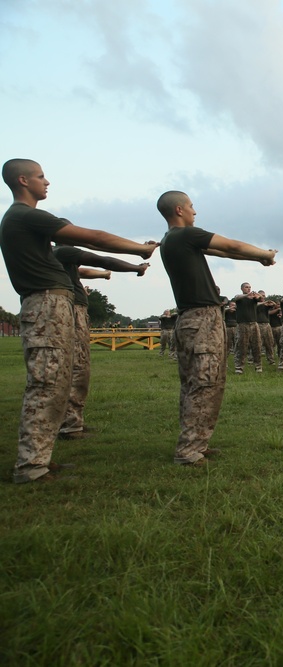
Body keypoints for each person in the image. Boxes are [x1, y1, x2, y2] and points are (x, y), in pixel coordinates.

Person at [1, 158, 156, 483]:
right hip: (45, 306)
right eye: (41, 176)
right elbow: (94, 238)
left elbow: (89, 259)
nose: (47, 182)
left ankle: (38, 460)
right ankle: (30, 467)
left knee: (55, 383)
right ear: (23, 180)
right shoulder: (26, 216)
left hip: (51, 304)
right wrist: (138, 249)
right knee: (46, 384)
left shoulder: (21, 222)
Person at [157, 190, 275, 466]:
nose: (195, 212)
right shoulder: (185, 235)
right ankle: (189, 450)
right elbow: (230, 245)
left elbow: (221, 251)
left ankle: (197, 441)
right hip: (202, 320)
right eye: (191, 207)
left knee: (195, 383)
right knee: (204, 382)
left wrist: (257, 259)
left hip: (191, 319)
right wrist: (265, 253)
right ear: (179, 210)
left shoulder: (171, 240)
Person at [52, 245, 150, 439]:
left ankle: (71, 421)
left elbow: (82, 271)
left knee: (75, 367)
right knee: (78, 368)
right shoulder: (63, 251)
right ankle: (70, 426)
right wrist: (136, 268)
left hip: (74, 310)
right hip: (73, 310)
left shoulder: (60, 258)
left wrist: (103, 274)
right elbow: (101, 258)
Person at [232, 282, 263, 374]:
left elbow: (261, 299)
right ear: (242, 288)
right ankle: (239, 367)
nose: (248, 289)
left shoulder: (254, 299)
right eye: (246, 287)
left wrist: (258, 295)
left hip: (254, 324)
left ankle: (258, 366)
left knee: (257, 345)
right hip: (242, 324)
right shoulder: (240, 297)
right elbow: (237, 297)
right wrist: (247, 295)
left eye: (249, 287)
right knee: (241, 346)